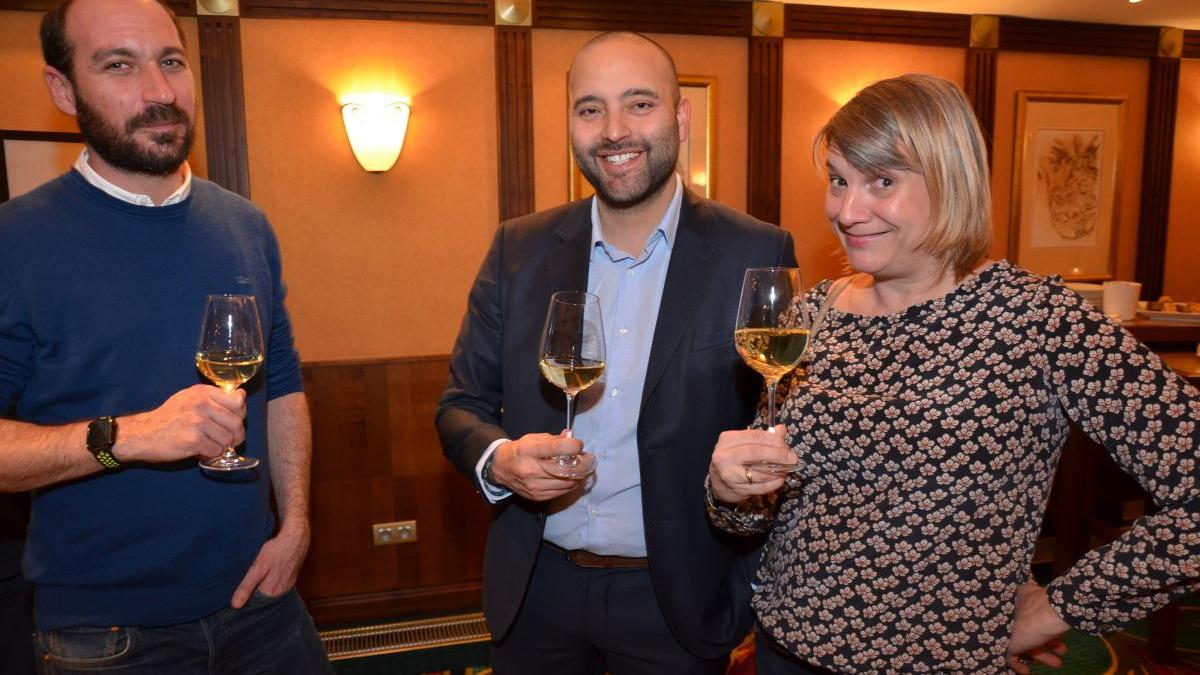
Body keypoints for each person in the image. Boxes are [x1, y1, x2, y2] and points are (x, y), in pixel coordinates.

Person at [707, 73, 1200, 674]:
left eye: (882, 181)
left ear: (951, 179)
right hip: (785, 651)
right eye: (838, 180)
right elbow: (763, 508)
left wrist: (1056, 608)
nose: (848, 211)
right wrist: (730, 492)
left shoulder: (1036, 319)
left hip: (941, 662)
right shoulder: (813, 315)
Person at [437, 31, 797, 674]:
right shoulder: (518, 248)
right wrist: (501, 461)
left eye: (639, 103)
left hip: (675, 601)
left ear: (680, 117)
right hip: (535, 590)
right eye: (590, 108)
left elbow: (777, 422)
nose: (613, 130)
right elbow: (460, 405)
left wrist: (742, 582)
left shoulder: (755, 251)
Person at [0, 0, 330, 672]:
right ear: (63, 89)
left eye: (171, 62)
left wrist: (295, 525)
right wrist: (126, 436)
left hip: (262, 603)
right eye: (119, 66)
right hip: (106, 636)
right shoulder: (15, 241)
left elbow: (283, 386)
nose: (159, 91)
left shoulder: (245, 225)